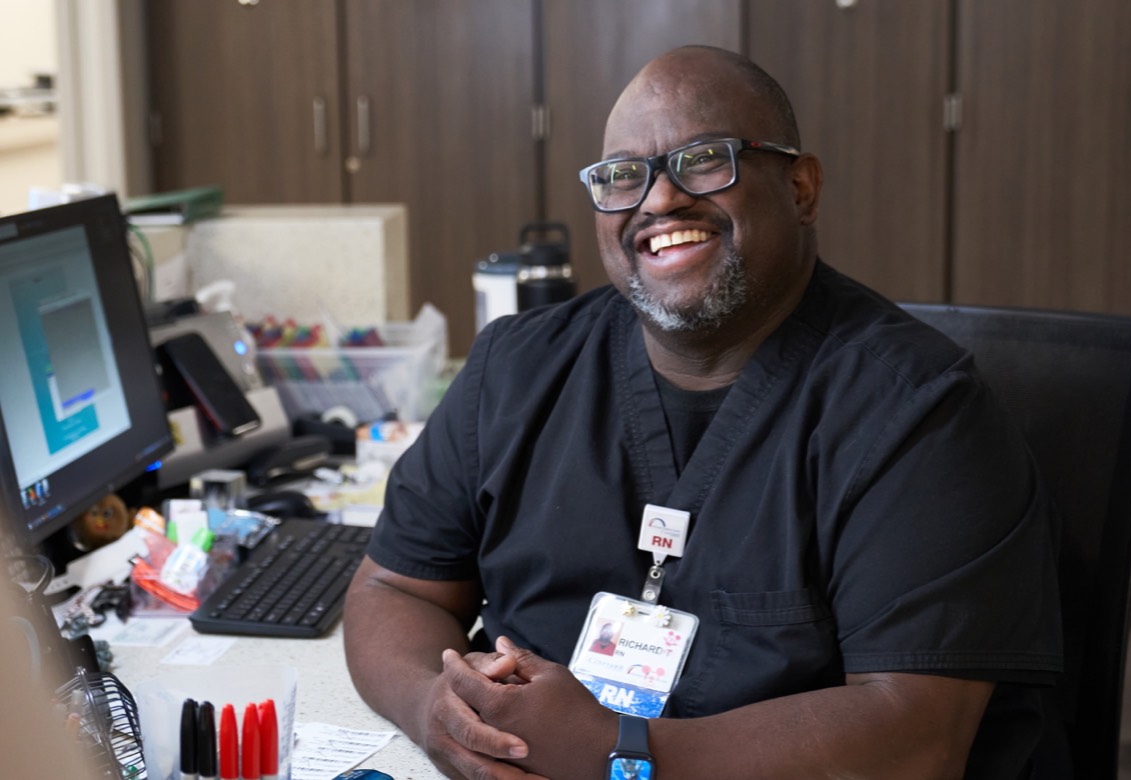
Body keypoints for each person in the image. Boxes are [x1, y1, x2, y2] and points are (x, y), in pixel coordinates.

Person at [343, 45, 1062, 779]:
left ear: (802, 188)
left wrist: (620, 755)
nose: (657, 201)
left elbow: (914, 738)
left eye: (705, 160)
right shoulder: (515, 369)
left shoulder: (919, 414)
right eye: (623, 177)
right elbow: (392, 588)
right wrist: (432, 707)